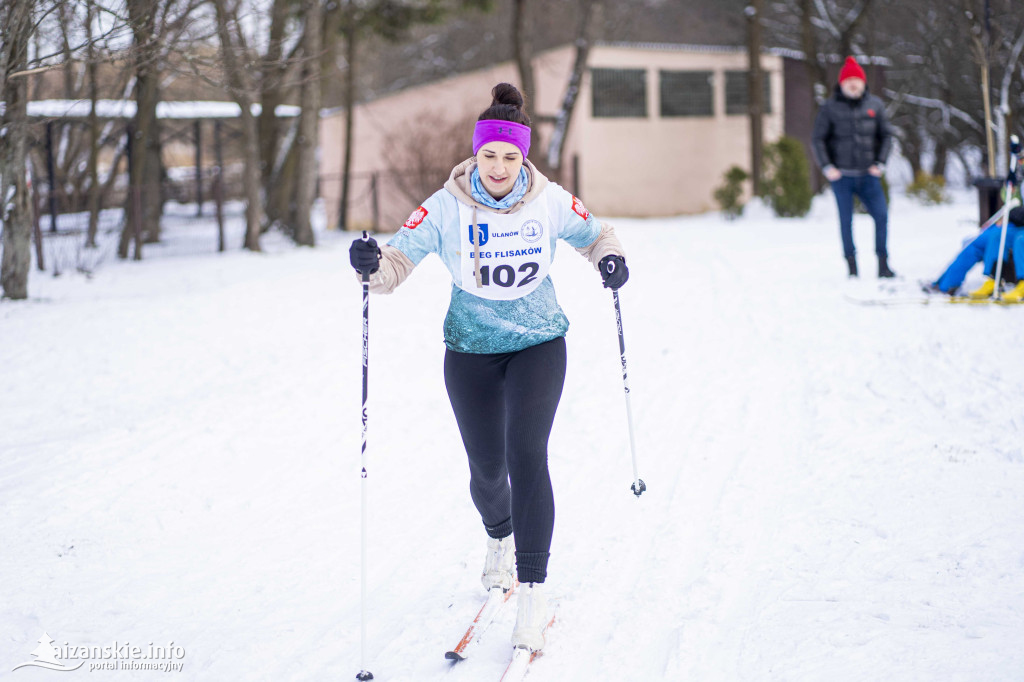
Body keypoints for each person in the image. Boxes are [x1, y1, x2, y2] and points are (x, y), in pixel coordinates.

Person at [348, 83, 628, 653]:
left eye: (510, 156)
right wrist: (370, 265)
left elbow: (596, 234)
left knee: (528, 455)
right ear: (476, 155)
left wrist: (611, 259)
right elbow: (395, 265)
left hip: (538, 341)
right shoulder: (445, 205)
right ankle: (497, 538)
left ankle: (533, 591)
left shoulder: (548, 200)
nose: (499, 166)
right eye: (489, 155)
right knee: (487, 468)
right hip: (470, 348)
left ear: (523, 158)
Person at [812, 56, 895, 279]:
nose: (852, 84)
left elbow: (887, 136)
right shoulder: (829, 107)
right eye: (848, 80)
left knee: (881, 216)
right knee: (845, 221)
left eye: (856, 80)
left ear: (863, 82)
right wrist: (827, 166)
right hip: (842, 176)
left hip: (869, 175)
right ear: (841, 83)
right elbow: (818, 139)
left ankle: (883, 263)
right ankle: (852, 265)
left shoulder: (875, 105)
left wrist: (880, 163)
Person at [930, 206, 1024, 301]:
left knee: (1018, 239)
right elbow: (1009, 197)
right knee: (985, 239)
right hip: (1014, 223)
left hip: (1017, 226)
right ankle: (993, 280)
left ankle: (946, 285)